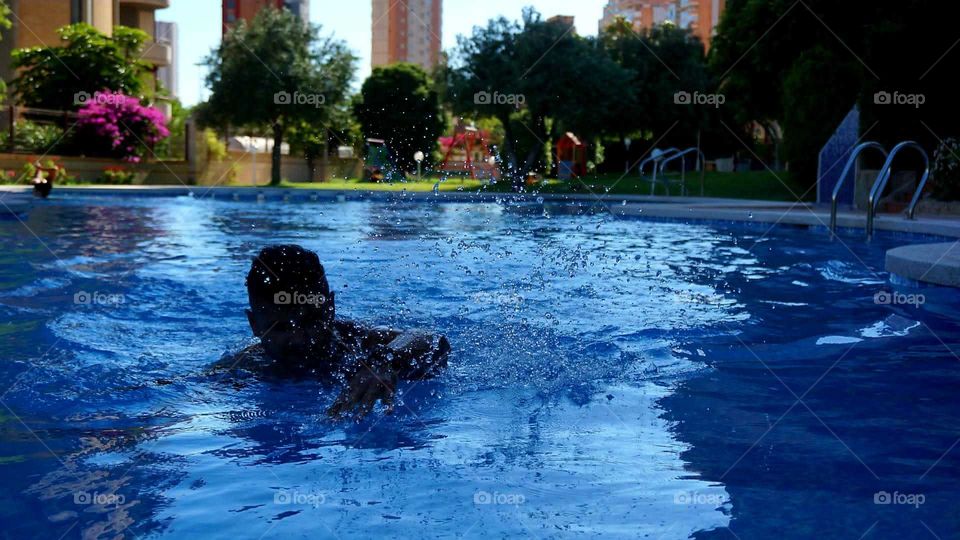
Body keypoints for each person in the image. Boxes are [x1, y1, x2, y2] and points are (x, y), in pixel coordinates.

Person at [233, 244, 450, 420]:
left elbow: (431, 339)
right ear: (254, 325)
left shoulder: (358, 342)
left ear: (330, 310)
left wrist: (385, 361)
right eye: (281, 327)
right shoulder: (246, 367)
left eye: (311, 321)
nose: (299, 338)